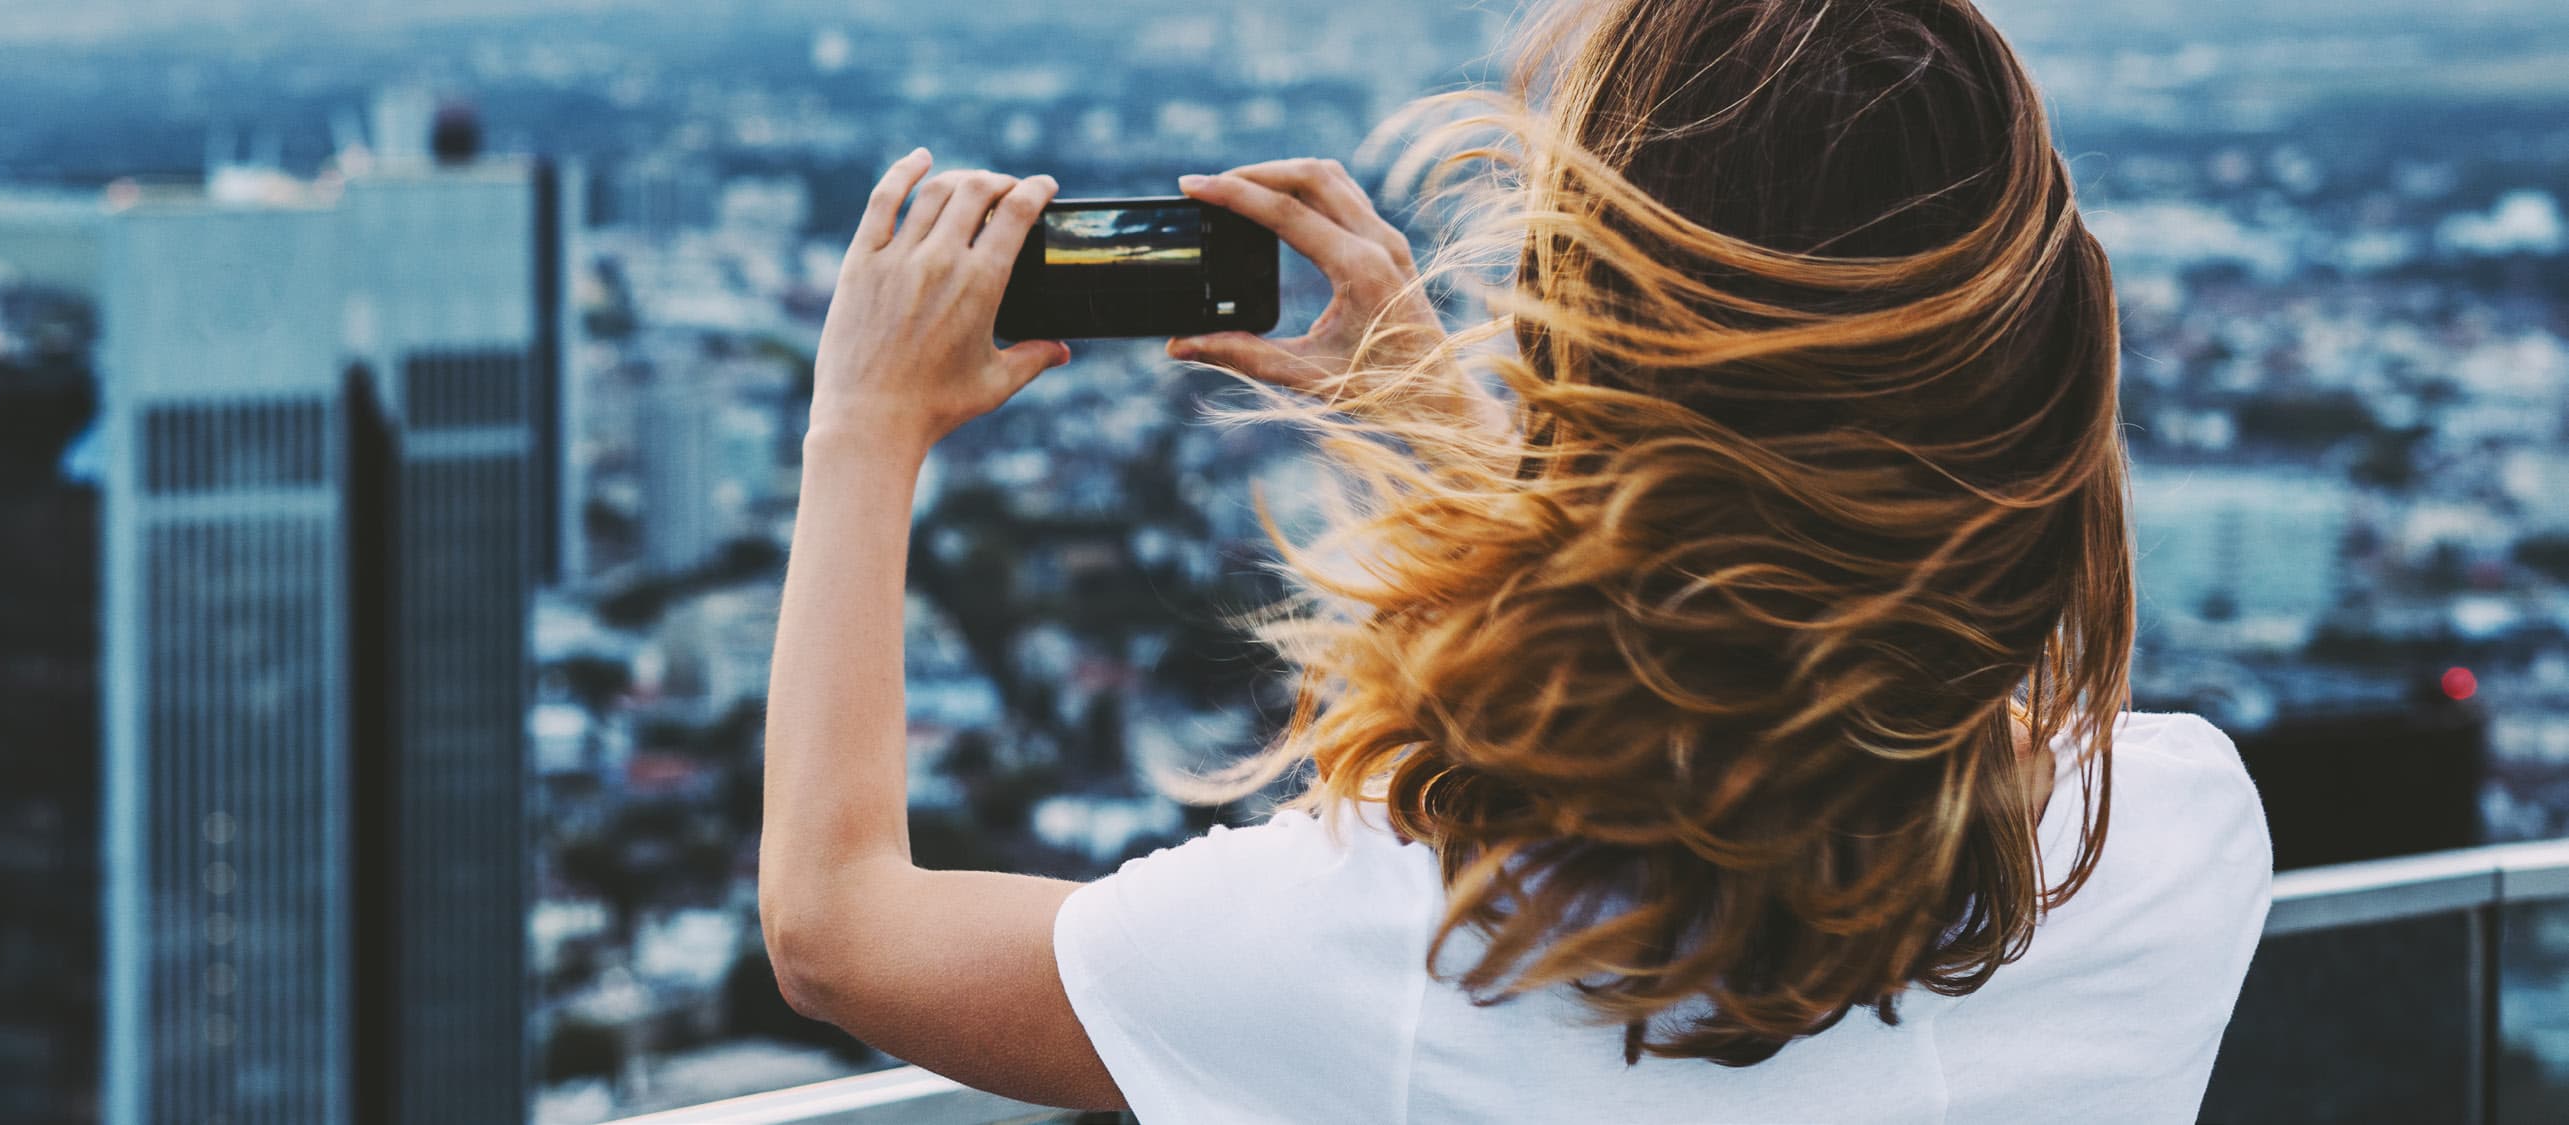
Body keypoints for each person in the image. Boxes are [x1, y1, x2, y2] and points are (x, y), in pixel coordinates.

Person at [754, 0, 2274, 1119]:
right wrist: (1434, 420)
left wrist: (861, 429)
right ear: (2049, 376)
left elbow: (836, 927)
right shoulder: (2173, 847)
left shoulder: (1390, 957)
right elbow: (1805, 658)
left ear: (1567, 358)